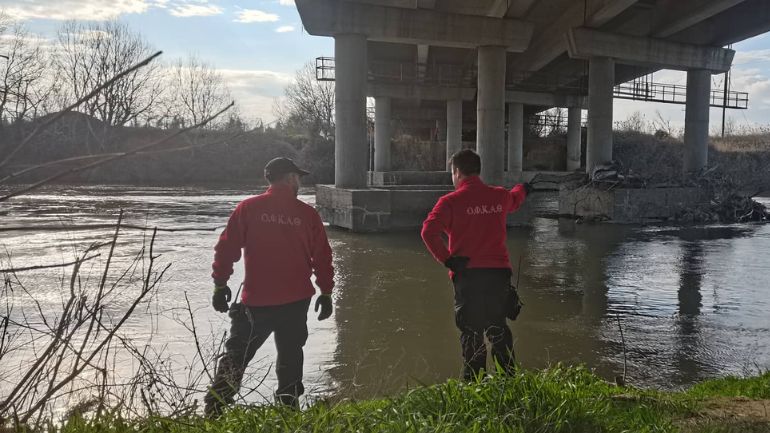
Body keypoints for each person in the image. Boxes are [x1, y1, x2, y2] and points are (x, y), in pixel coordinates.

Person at [204, 157, 335, 416]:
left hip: (256, 301)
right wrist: (326, 292)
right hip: (296, 302)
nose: (299, 183)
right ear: (290, 178)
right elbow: (322, 257)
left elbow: (226, 249)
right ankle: (288, 410)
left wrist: (220, 284)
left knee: (236, 356)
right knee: (290, 357)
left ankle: (215, 410)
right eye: (298, 178)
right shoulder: (307, 214)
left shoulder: (248, 208)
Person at [421, 149, 531, 381]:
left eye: (452, 173)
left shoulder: (450, 202)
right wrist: (523, 188)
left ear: (457, 172)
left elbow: (428, 232)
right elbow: (515, 199)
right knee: (498, 328)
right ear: (478, 171)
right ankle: (508, 381)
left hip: (467, 275)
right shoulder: (499, 196)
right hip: (498, 275)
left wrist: (448, 259)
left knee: (471, 332)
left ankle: (474, 384)